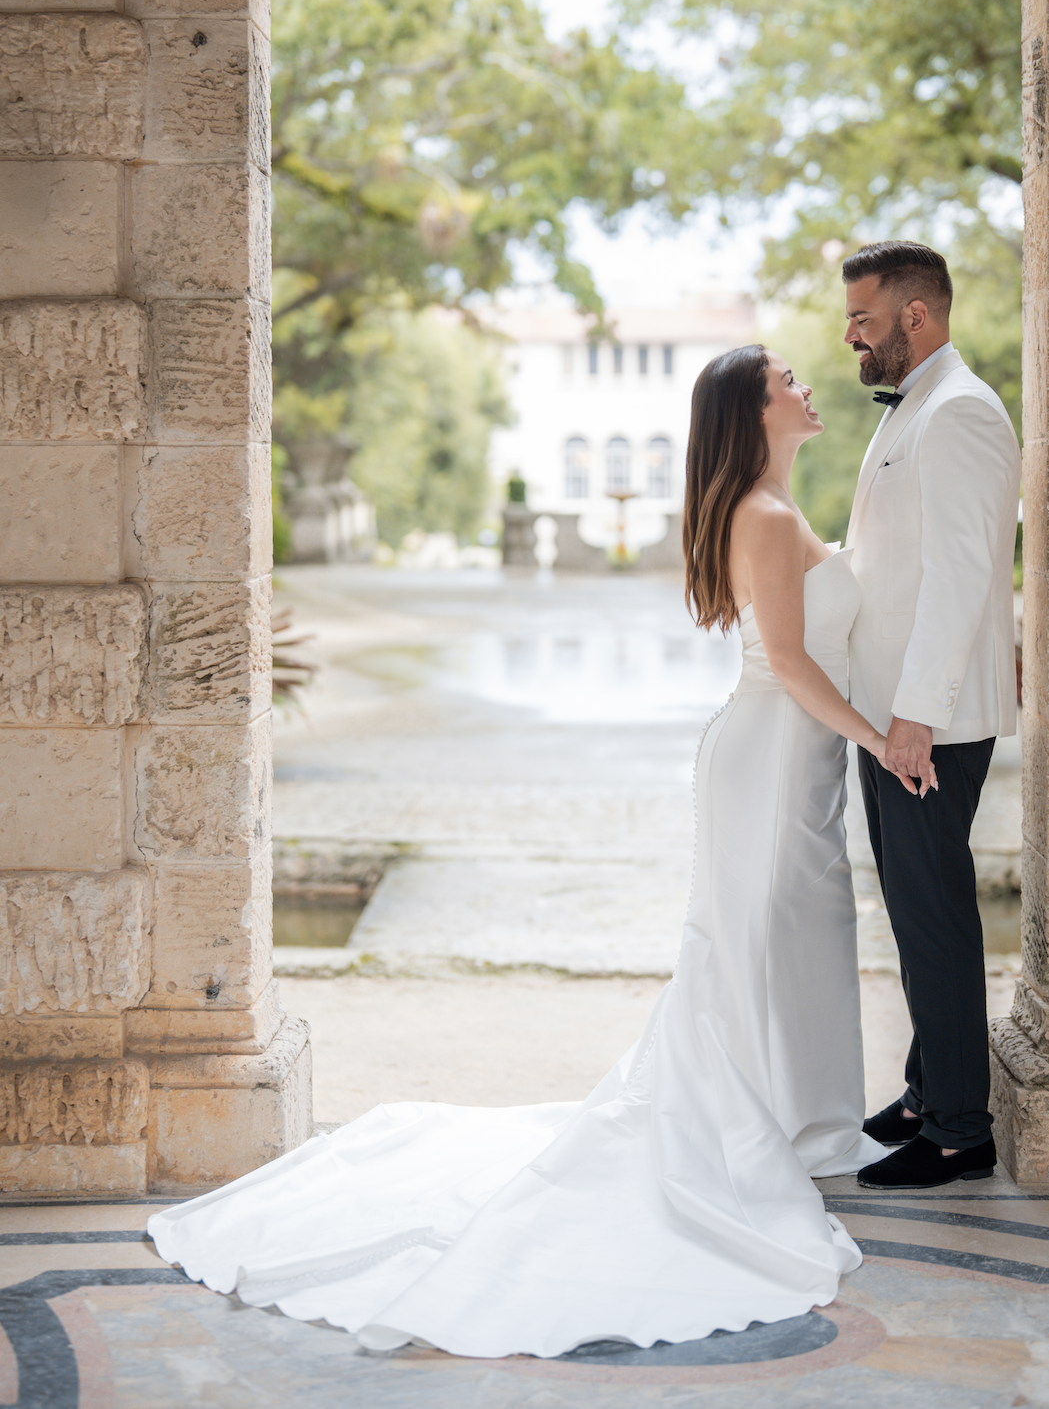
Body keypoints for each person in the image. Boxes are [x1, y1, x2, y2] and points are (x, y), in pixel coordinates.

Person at [147, 345, 902, 1359]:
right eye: (788, 379)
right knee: (755, 937)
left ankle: (795, 1117)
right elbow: (797, 661)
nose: (808, 386)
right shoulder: (763, 519)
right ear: (751, 409)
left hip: (789, 759)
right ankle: (755, 1123)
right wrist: (878, 736)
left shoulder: (776, 503)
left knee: (793, 934)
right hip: (768, 754)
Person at [842, 241, 1021, 1191]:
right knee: (915, 916)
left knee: (937, 918)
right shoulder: (919, 406)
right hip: (892, 716)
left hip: (928, 724)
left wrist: (913, 716)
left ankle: (959, 1130)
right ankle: (924, 1090)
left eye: (863, 319)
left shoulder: (958, 414)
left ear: (917, 315)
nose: (850, 337)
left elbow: (958, 579)